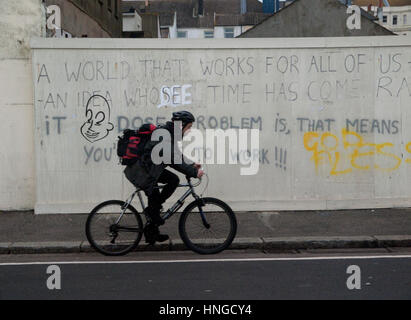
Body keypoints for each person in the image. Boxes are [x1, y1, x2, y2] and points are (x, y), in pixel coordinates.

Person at [124, 111, 204, 244]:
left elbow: (176, 155)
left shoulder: (170, 134)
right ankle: (152, 213)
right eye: (189, 127)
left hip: (149, 170)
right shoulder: (166, 136)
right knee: (171, 182)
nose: (189, 131)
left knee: (156, 201)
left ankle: (152, 234)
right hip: (142, 172)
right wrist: (194, 173)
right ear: (181, 125)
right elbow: (174, 160)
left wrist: (191, 164)